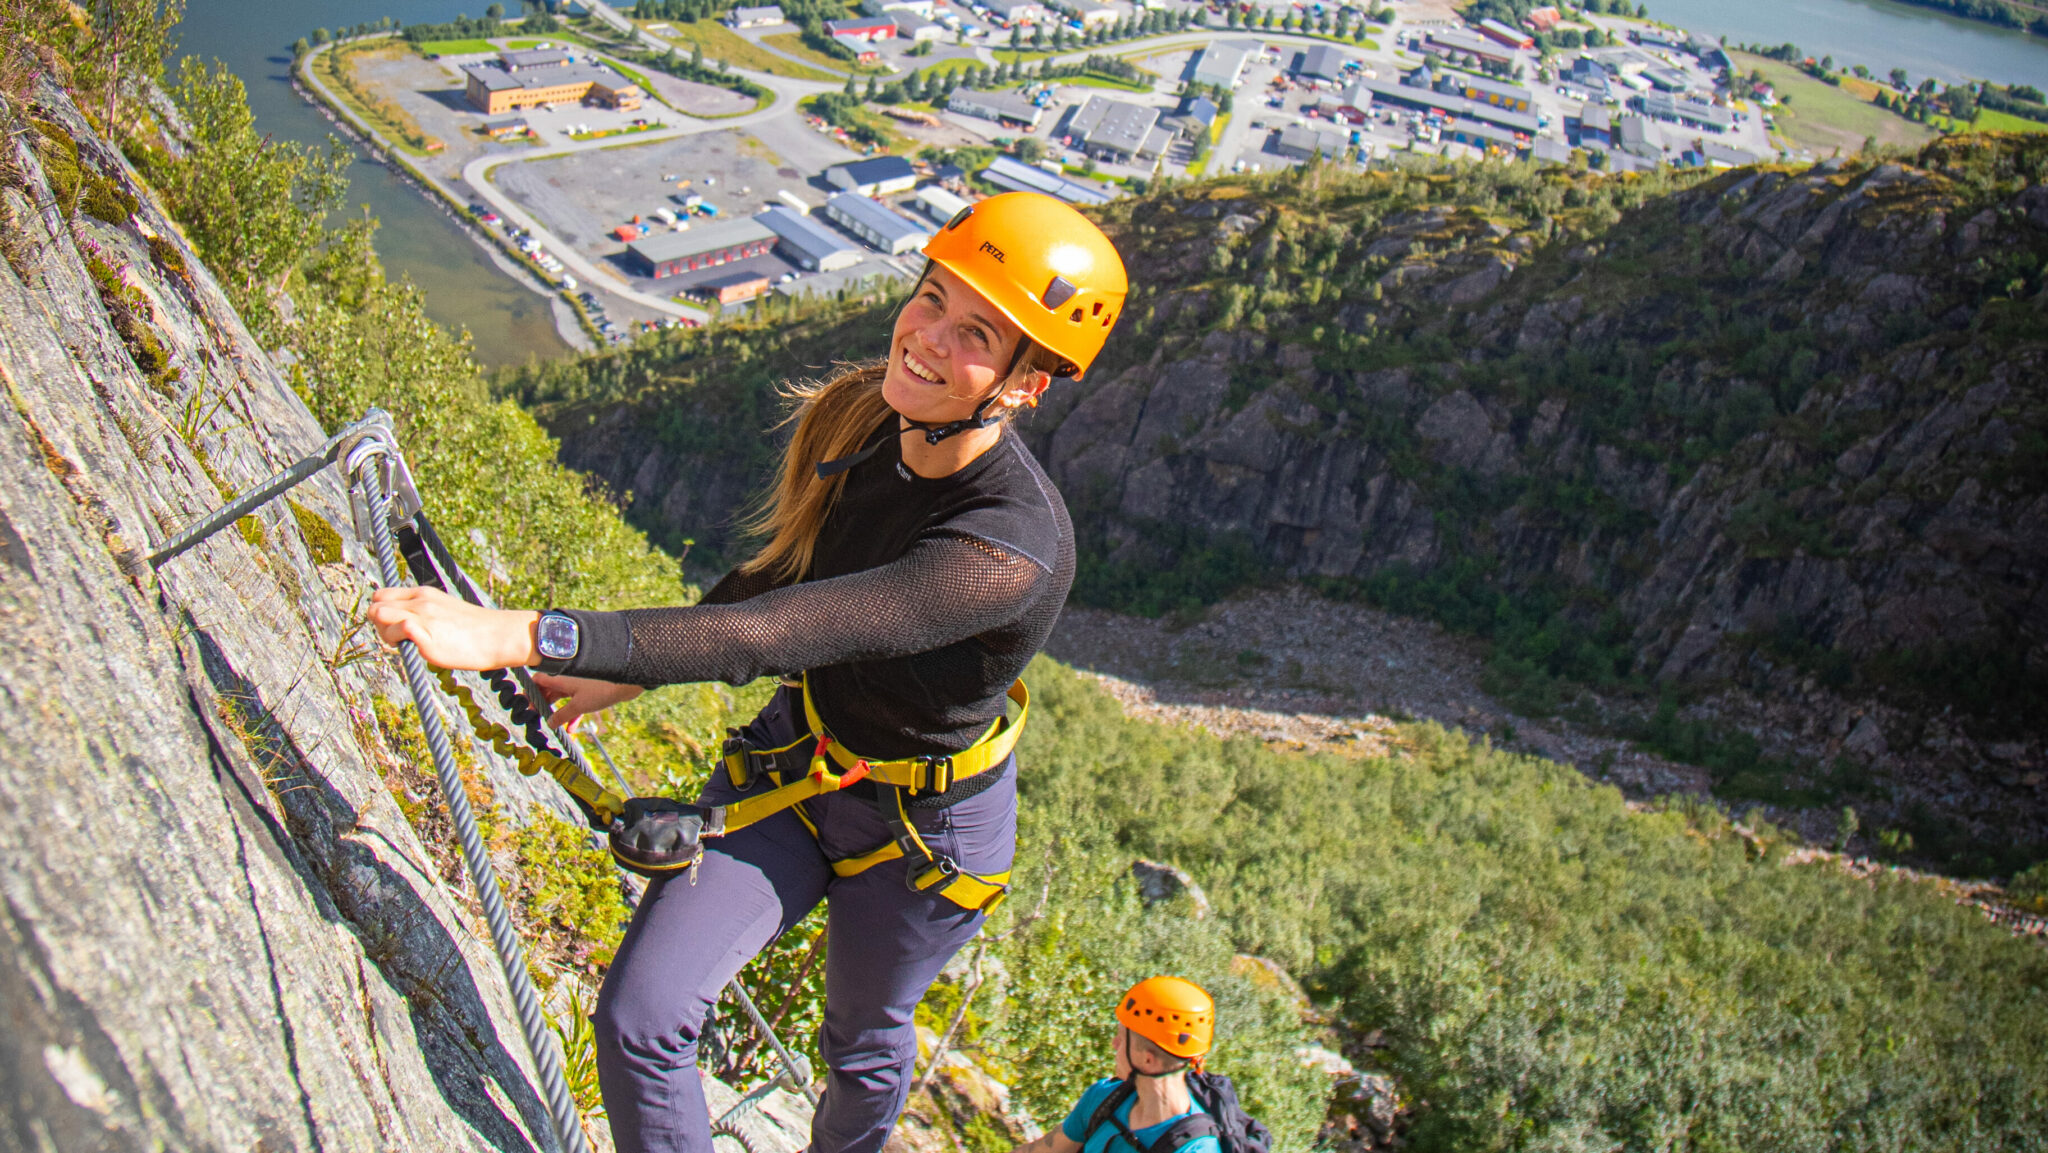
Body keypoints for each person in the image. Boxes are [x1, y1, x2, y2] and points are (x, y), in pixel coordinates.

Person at [365, 191, 1128, 1153]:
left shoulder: (1006, 551)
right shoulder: (874, 419)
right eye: (931, 296)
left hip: (925, 833)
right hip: (799, 765)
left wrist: (525, 635)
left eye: (975, 331)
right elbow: (783, 575)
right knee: (643, 1016)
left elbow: (777, 631)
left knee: (860, 1041)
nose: (926, 336)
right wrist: (626, 676)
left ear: (1027, 384)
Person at [1013, 977, 1223, 1153]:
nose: (1114, 1045)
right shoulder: (1105, 1098)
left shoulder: (1196, 1149)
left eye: (1121, 1039)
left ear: (1147, 1060)